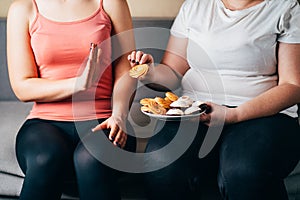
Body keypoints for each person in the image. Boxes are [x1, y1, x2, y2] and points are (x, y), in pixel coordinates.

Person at [128, 0, 300, 199]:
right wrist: (150, 73)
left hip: (263, 116)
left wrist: (233, 114)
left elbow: (293, 86)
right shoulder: (194, 6)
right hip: (195, 113)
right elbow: (174, 69)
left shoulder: (285, 8)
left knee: (242, 171)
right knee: (161, 161)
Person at [7, 0, 137, 199]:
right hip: (45, 123)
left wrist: (119, 115)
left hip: (105, 120)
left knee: (90, 159)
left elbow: (126, 68)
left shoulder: (111, 3)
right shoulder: (23, 9)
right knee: (45, 158)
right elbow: (22, 87)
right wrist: (77, 84)